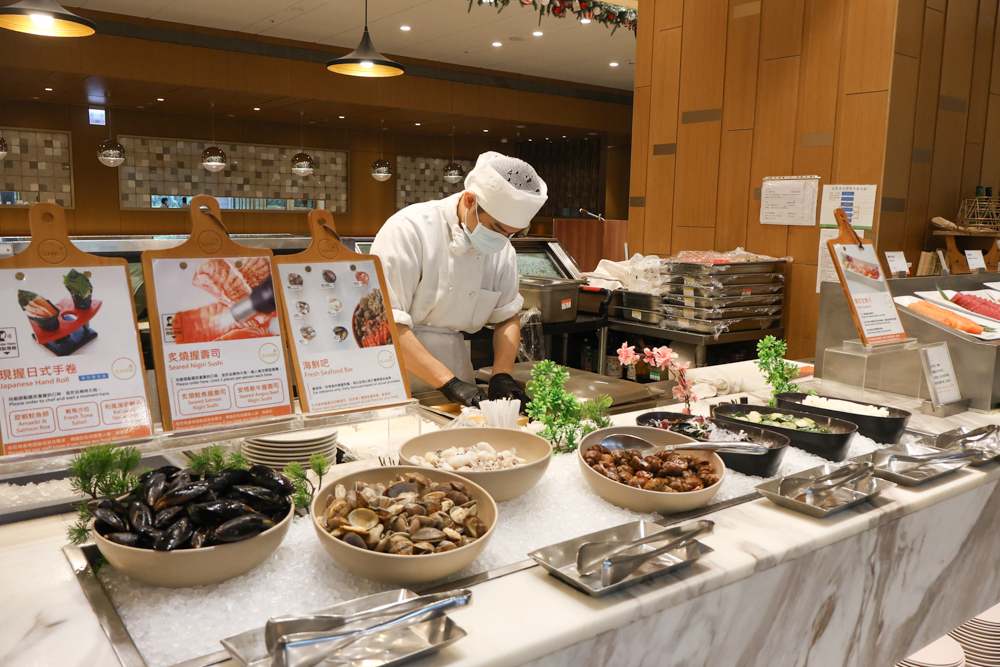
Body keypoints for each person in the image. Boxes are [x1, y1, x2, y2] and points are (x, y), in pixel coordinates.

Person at [371, 151, 547, 408]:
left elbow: (507, 316)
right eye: (497, 228)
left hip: (455, 367)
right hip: (394, 370)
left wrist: (502, 374)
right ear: (469, 200)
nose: (502, 241)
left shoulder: (502, 249)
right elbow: (385, 322)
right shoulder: (409, 229)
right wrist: (448, 383)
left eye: (512, 234)